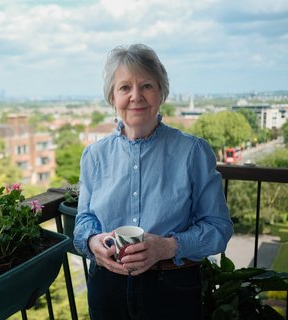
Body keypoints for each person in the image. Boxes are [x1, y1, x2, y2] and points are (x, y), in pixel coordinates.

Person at [73, 44, 233, 320]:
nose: (136, 96)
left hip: (172, 286)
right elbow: (84, 219)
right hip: (106, 285)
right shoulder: (94, 156)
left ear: (161, 93)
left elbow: (219, 228)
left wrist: (168, 247)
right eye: (125, 88)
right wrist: (91, 241)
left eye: (146, 85)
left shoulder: (193, 152)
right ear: (112, 97)